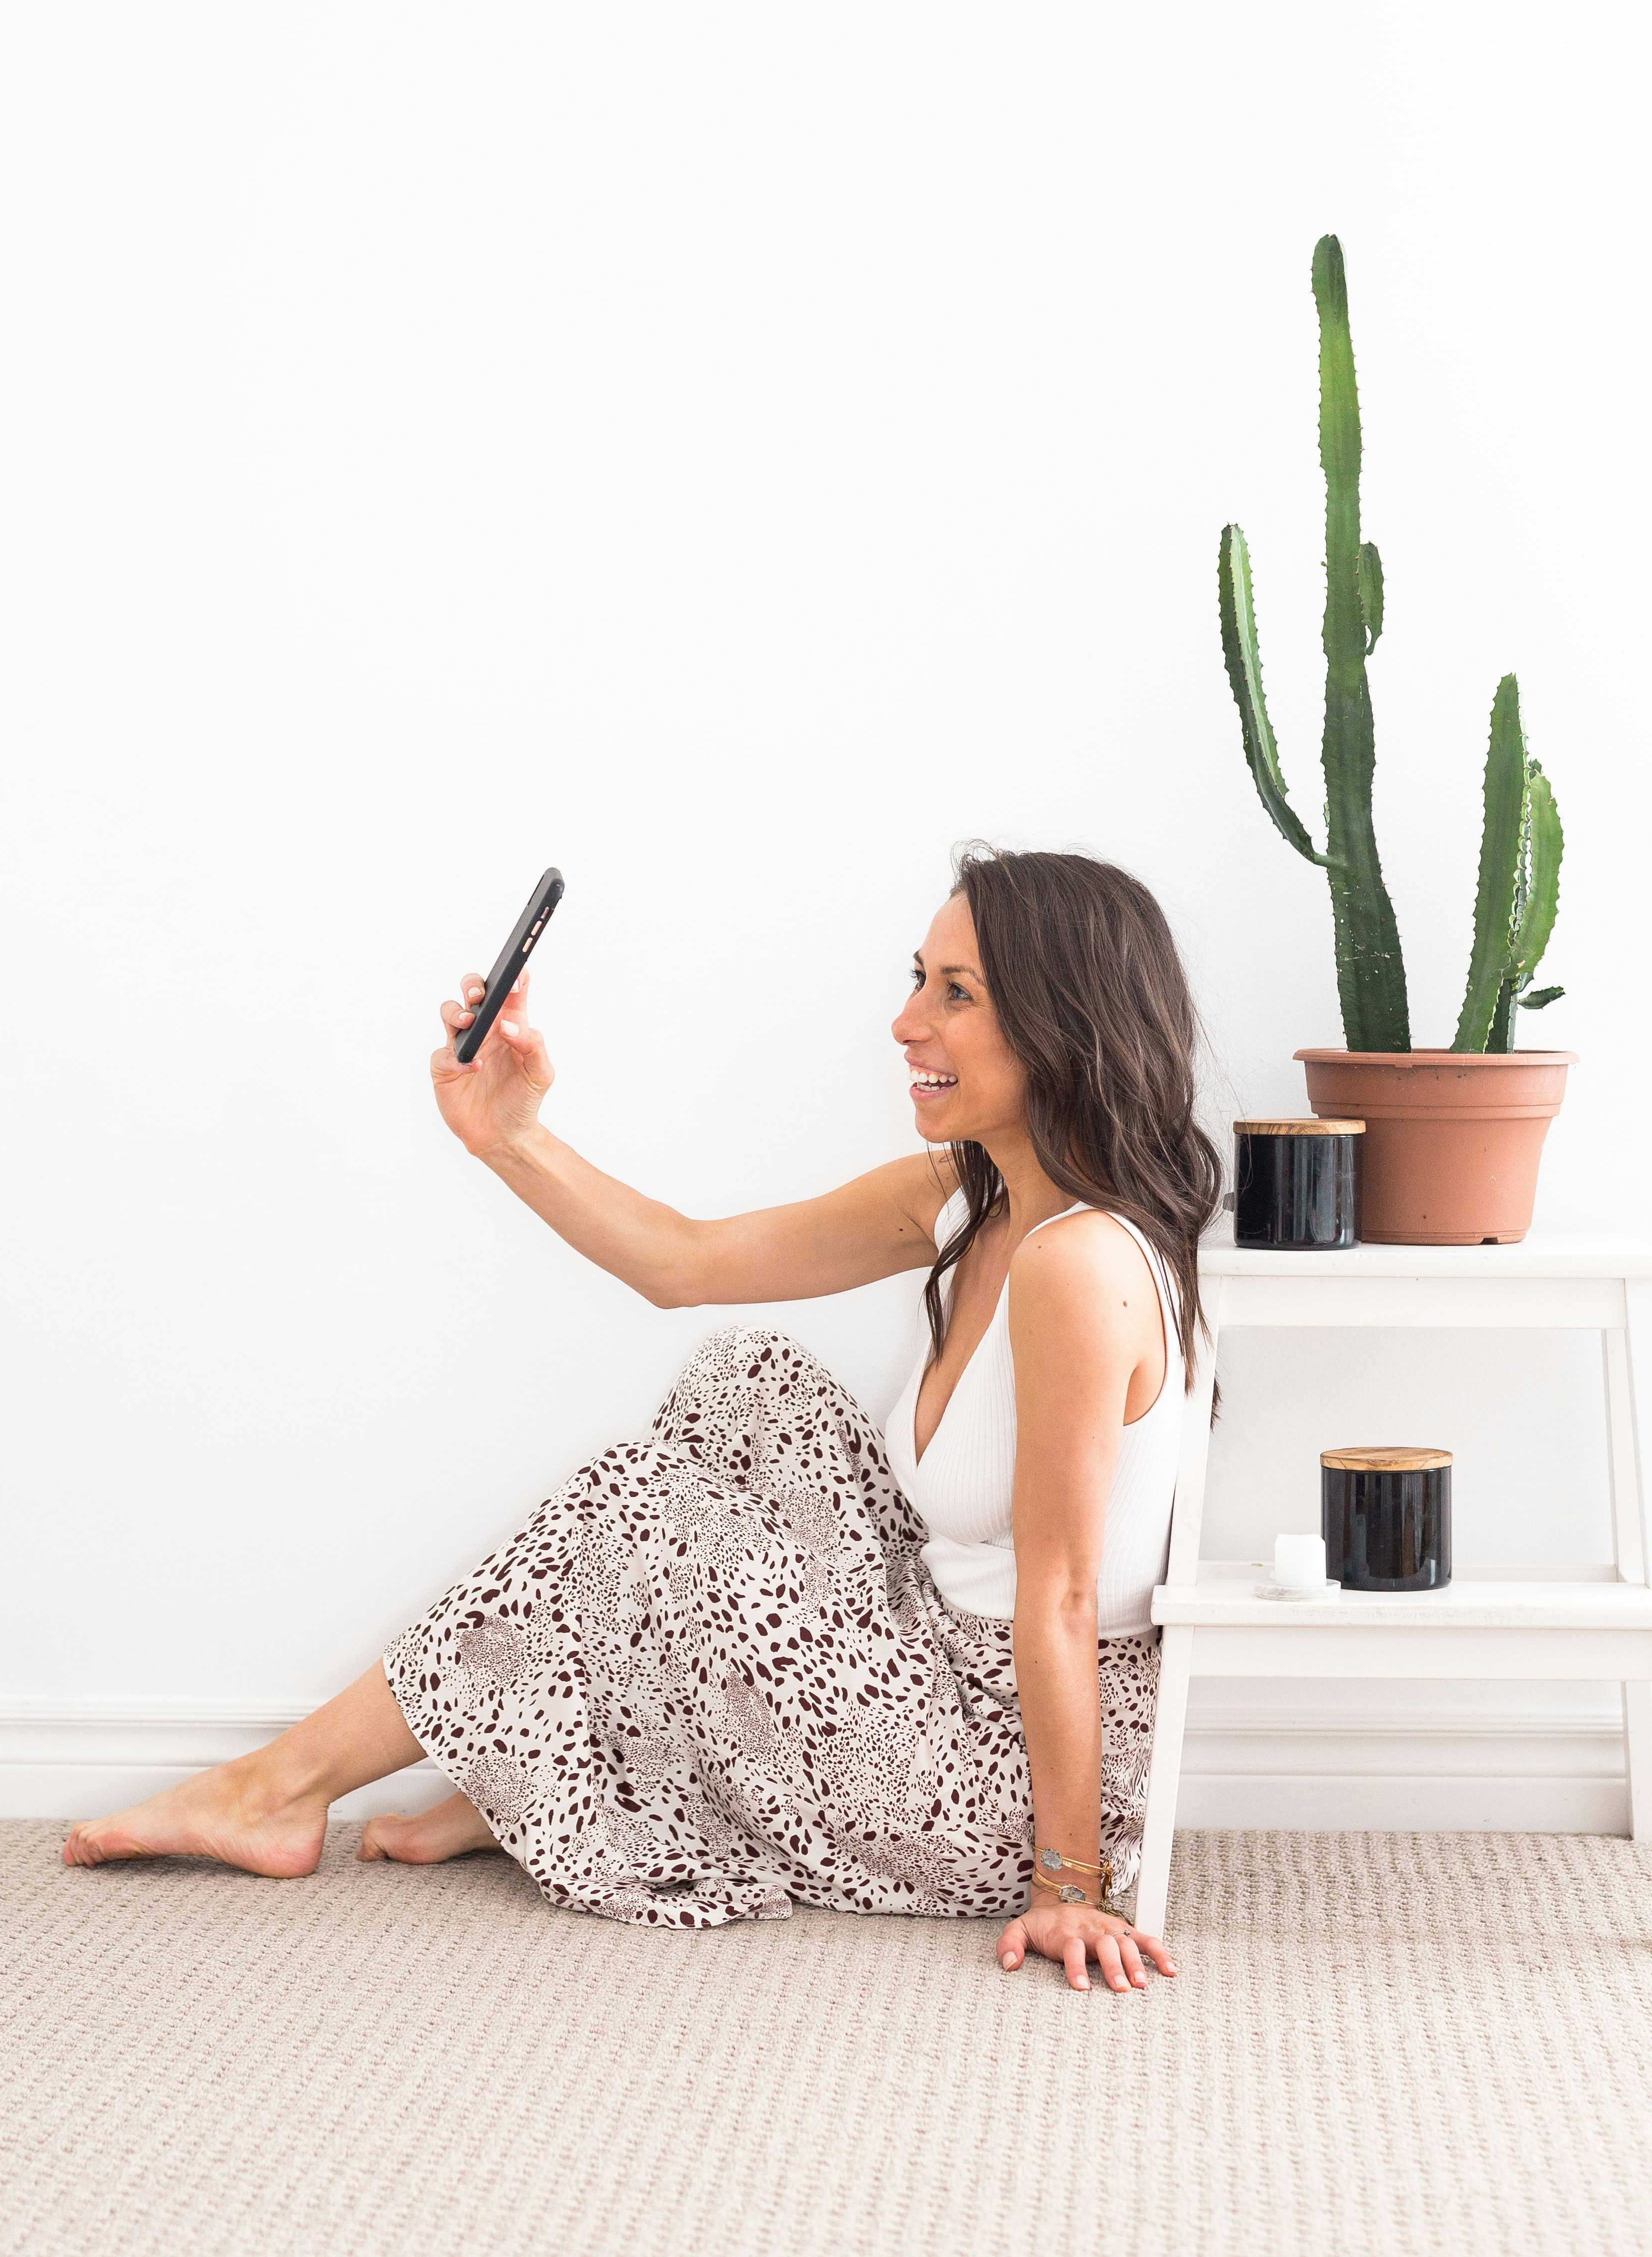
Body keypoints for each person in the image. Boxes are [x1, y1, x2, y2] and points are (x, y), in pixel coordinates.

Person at [65, 846, 1218, 1994]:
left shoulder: (1079, 1265)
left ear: (1066, 1025)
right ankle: (557, 1774)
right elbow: (686, 1262)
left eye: (956, 994)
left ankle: (281, 1792)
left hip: (1000, 1766)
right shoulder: (972, 1200)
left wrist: (1068, 1885)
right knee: (748, 1389)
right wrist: (508, 1136)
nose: (906, 1022)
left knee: (646, 1509)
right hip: (929, 1659)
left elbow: (1064, 1599)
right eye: (918, 978)